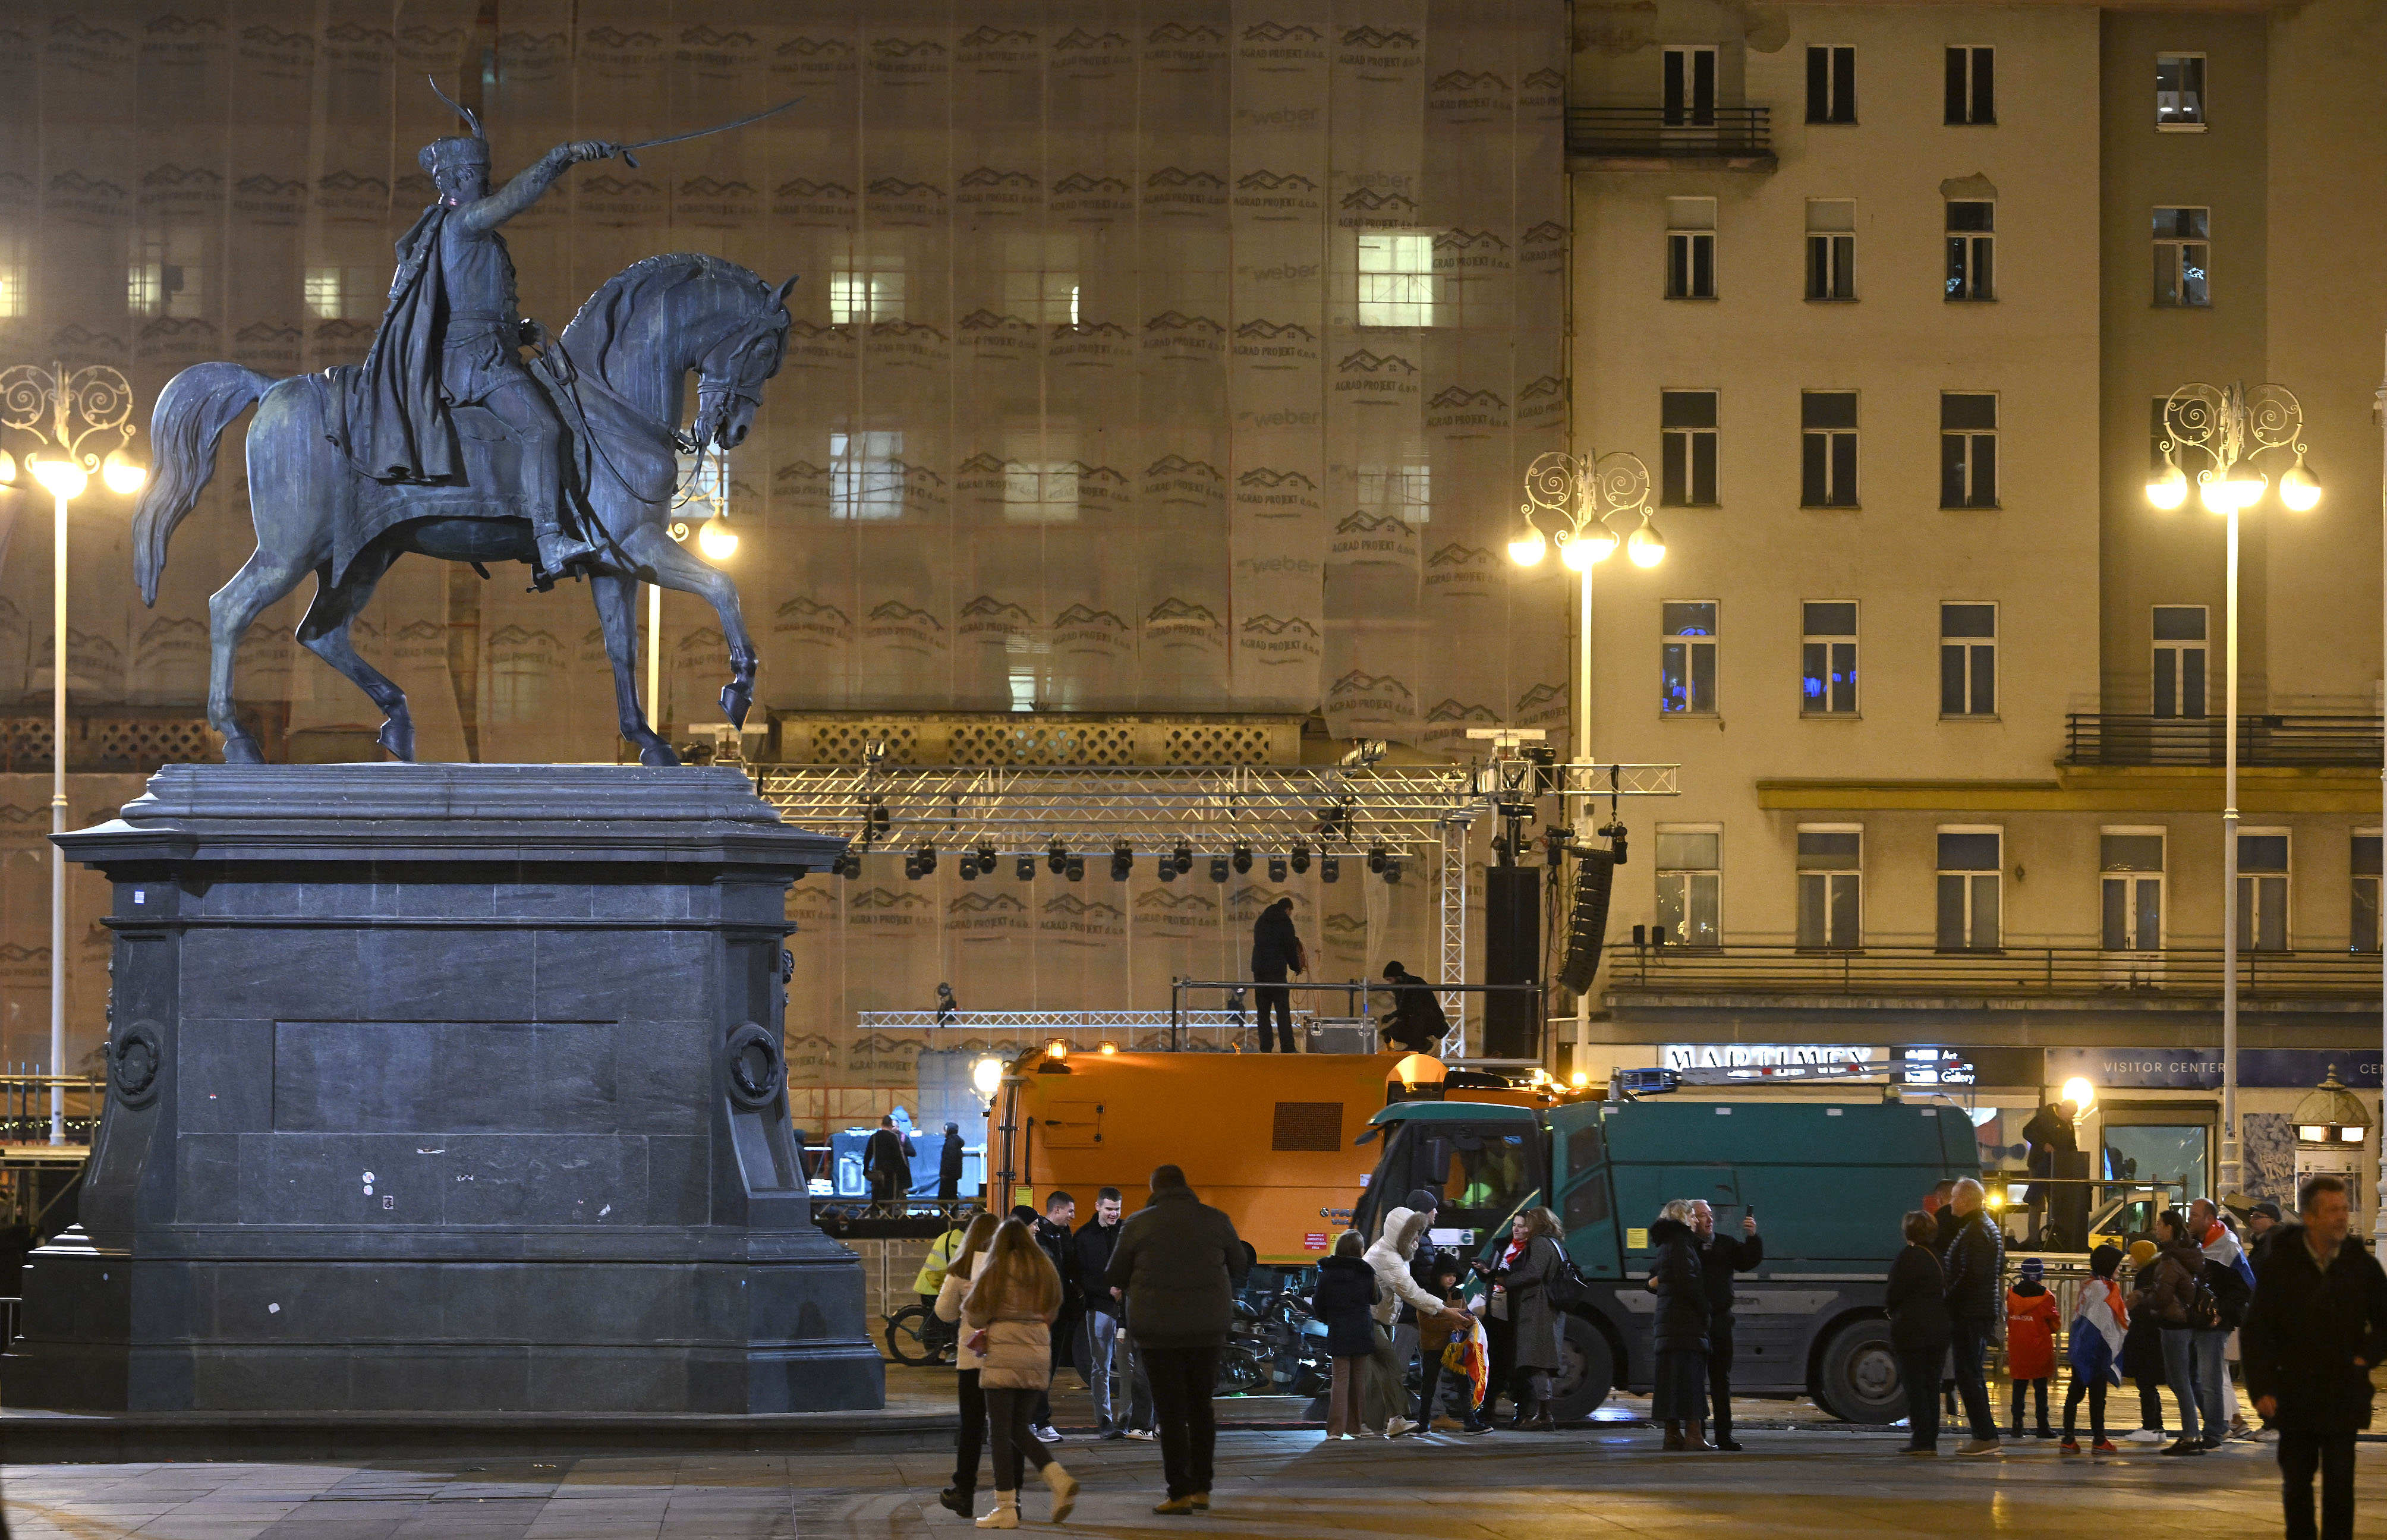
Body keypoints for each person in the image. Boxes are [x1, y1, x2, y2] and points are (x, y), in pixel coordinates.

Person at [342, 108, 610, 584]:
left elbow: (471, 303)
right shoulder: (463, 223)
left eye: (484, 176)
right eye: (478, 176)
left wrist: (519, 329)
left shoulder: (465, 231)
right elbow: (517, 198)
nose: (485, 185)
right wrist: (563, 157)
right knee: (544, 429)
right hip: (476, 362)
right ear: (459, 179)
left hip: (492, 348)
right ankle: (549, 539)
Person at [2244, 1174, 2387, 1540]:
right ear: (2310, 1216)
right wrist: (2262, 1388)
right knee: (2297, 1482)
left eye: (2344, 1209)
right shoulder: (2283, 1265)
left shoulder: (2360, 1265)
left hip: (2343, 1391)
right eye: (2333, 1210)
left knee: (2340, 1481)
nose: (2342, 1218)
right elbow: (2258, 1330)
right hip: (2295, 1393)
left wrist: (2364, 1357)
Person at [1106, 1164, 1251, 1515]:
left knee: (1170, 1413)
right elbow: (1241, 1265)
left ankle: (1179, 1493)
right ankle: (1203, 1489)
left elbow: (1115, 1273)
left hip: (1159, 1333)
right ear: (1186, 1186)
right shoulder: (1217, 1220)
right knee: (1201, 1408)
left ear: (1154, 1187)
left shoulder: (1138, 1224)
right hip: (1207, 1330)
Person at [961, 1217, 1080, 1529]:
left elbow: (975, 1314)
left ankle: (1006, 1507)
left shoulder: (996, 1269)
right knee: (1018, 1427)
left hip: (1004, 1354)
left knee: (1000, 1432)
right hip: (1038, 1351)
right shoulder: (1045, 1269)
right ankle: (1057, 1478)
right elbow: (1053, 1310)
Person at [1362, 1204, 1469, 1436]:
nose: (1417, 1240)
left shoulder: (1395, 1251)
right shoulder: (1389, 1257)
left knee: (1377, 1374)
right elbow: (1411, 1292)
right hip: (1368, 1317)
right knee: (1390, 1364)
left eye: (1418, 1234)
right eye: (1412, 1235)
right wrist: (1446, 1310)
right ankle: (1397, 1419)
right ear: (1398, 1234)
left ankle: (1369, 1424)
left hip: (1379, 1317)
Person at [934, 1212, 1004, 1519]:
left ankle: (964, 1491)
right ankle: (1010, 1497)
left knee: (972, 1429)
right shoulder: (1009, 1268)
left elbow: (944, 1313)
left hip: (972, 1360)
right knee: (1005, 1429)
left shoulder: (962, 1270)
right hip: (1006, 1359)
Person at [1482, 1207, 1566, 1431]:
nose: (1524, 1227)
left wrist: (1505, 1280)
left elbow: (1534, 1273)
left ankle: (1543, 1416)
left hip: (1537, 1308)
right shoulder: (1555, 1242)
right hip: (1547, 1307)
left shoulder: (1539, 1243)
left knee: (1536, 1362)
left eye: (1528, 1223)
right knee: (1540, 1361)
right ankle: (1542, 1414)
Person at [2131, 1208, 2207, 1455]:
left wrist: (2142, 1298)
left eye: (2159, 1224)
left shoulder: (2170, 1260)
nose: (2156, 1229)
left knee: (2180, 1381)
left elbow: (2163, 1295)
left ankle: (2190, 1436)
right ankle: (2194, 1433)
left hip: (2174, 1323)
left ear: (2169, 1228)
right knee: (2180, 1380)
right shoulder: (2186, 1254)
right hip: (2183, 1322)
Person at [1938, 1176, 2004, 1456]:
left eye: (1954, 1197)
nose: (1950, 1201)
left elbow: (1970, 1274)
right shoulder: (1984, 1227)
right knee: (1971, 1372)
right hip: (1976, 1309)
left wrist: (1946, 1296)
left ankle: (1985, 1436)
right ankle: (1984, 1435)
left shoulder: (1977, 1231)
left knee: (1968, 1374)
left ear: (1965, 1200)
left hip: (1970, 1311)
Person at [1690, 1198, 1762, 1450]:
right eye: (1702, 1215)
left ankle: (1724, 1435)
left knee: (1721, 1379)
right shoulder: (1686, 1248)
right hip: (1695, 1323)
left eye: (1710, 1215)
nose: (1710, 1219)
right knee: (1696, 1380)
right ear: (1691, 1221)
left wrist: (1752, 1236)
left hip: (1720, 1321)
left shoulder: (1726, 1244)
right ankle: (1697, 1434)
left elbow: (1747, 1262)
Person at [1885, 1210, 1950, 1455]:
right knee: (1932, 1386)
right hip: (1938, 1329)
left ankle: (1921, 1440)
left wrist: (1891, 1310)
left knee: (1915, 1386)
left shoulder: (1908, 1257)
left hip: (1912, 1331)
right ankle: (1930, 1439)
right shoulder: (1938, 1256)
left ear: (1907, 1232)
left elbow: (1894, 1292)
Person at [1648, 1198, 1710, 1450]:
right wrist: (1704, 1308)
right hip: (1684, 1323)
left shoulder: (1665, 1244)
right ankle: (1694, 1436)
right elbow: (1688, 1281)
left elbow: (1655, 1280)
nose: (1696, 1220)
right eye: (1692, 1216)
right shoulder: (1682, 1243)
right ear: (1682, 1218)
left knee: (1670, 1381)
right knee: (1691, 1379)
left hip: (1668, 1323)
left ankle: (1672, 1435)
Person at [2061, 1243, 2129, 1456]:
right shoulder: (2103, 1289)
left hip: (2082, 1349)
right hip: (2095, 1351)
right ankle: (2099, 1440)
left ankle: (2069, 1439)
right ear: (2108, 1265)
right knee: (2097, 1397)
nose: (2120, 1269)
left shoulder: (2091, 1284)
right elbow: (2103, 1323)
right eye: (2117, 1265)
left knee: (2075, 1395)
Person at [1310, 1231, 1379, 1438]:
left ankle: (1335, 1430)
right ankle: (1356, 1428)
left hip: (1339, 1329)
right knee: (1359, 1380)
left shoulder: (1327, 1274)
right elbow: (1376, 1298)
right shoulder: (1367, 1272)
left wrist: (1328, 1320)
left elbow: (1318, 1304)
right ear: (1359, 1250)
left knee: (1339, 1380)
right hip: (1361, 1330)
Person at [1074, 1188, 1128, 1437]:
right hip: (1100, 1307)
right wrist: (1110, 1291)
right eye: (1109, 1209)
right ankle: (1105, 1421)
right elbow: (1080, 1275)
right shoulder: (1084, 1236)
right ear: (1097, 1207)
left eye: (1117, 1209)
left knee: (1126, 1366)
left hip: (1120, 1307)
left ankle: (1125, 1419)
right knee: (1101, 1367)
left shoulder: (1126, 1231)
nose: (1114, 1214)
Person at [1416, 1254, 1489, 1434]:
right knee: (1429, 1385)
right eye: (1448, 1275)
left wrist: (1469, 1318)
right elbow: (1426, 1323)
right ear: (1438, 1275)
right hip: (1433, 1346)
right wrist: (1454, 1323)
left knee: (1463, 1384)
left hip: (1455, 1347)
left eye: (1455, 1275)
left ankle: (1470, 1421)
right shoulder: (1426, 1295)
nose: (1452, 1279)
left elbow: (1463, 1314)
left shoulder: (1458, 1294)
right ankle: (1423, 1423)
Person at [1030, 1192, 1081, 1442]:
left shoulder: (1063, 1235)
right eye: (1070, 1211)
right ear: (1057, 1210)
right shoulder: (1040, 1237)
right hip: (1045, 1313)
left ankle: (1035, 1419)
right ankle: (1037, 1421)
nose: (1073, 1216)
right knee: (1042, 1367)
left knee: (1049, 1368)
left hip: (1060, 1312)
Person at [2120, 1238, 2170, 1443]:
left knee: (2145, 1383)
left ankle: (2150, 1426)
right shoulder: (2154, 1273)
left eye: (2133, 1255)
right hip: (2154, 1335)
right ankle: (2157, 1427)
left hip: (2146, 1336)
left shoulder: (2145, 1277)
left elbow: (2140, 1310)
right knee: (2149, 1383)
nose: (2130, 1259)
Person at [2005, 1256, 2057, 1439]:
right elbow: (2055, 1324)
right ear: (2041, 1274)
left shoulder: (2011, 1294)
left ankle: (2017, 1425)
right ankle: (2043, 1426)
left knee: (2019, 1386)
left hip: (2018, 1346)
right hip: (2039, 1347)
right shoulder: (2047, 1296)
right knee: (2040, 1388)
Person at [1249, 895, 1305, 1053]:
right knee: (1282, 1011)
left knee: (1263, 1012)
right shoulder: (1286, 923)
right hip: (1277, 972)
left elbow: (1259, 943)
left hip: (1260, 971)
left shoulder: (1261, 921)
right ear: (1288, 910)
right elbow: (1289, 948)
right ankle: (1287, 1047)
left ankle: (1266, 1047)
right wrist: (1296, 967)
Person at [1377, 961, 1447, 1054]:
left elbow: (1415, 1006)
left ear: (1397, 977)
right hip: (1414, 1019)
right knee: (1389, 1032)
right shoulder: (1400, 988)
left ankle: (1417, 1045)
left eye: (1390, 980)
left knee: (1416, 1018)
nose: (1390, 983)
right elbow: (1404, 1009)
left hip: (1427, 1019)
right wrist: (1393, 1016)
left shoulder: (1415, 983)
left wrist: (1394, 1015)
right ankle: (1421, 1044)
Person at [915, 1213, 969, 1315]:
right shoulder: (960, 1241)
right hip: (934, 1286)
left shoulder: (948, 1235)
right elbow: (962, 1267)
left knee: (934, 1322)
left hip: (928, 1283)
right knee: (941, 1322)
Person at [865, 1114, 912, 1204]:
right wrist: (903, 1171)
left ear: (881, 1124)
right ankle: (889, 1214)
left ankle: (875, 1213)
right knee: (889, 1198)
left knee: (877, 1196)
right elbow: (899, 1156)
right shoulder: (893, 1138)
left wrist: (866, 1170)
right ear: (891, 1125)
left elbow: (868, 1155)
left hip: (877, 1172)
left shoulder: (874, 1137)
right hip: (891, 1174)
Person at [2248, 1200, 2285, 1270]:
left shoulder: (2276, 1245)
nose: (2252, 1221)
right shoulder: (2260, 1243)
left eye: (2257, 1217)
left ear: (2273, 1221)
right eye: (2252, 1217)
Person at [939, 1122, 966, 1202]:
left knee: (943, 1198)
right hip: (953, 1176)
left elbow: (949, 1159)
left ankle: (946, 1214)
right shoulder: (955, 1142)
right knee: (952, 1196)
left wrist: (945, 1173)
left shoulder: (951, 1142)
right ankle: (954, 1213)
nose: (944, 1133)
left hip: (948, 1176)